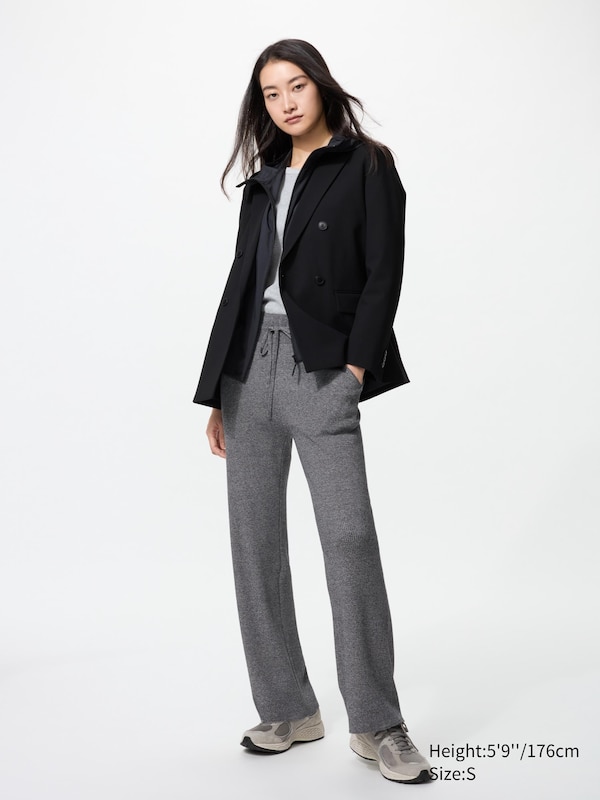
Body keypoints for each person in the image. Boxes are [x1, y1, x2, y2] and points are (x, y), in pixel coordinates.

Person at [193, 39, 431, 784]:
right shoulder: (263, 179)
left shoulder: (367, 165)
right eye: (271, 93)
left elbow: (385, 272)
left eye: (296, 85)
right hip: (248, 371)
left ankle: (378, 722)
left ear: (322, 86)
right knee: (255, 545)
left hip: (322, 368)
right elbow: (241, 282)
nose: (286, 102)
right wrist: (216, 391)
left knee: (349, 539)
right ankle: (288, 709)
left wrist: (355, 369)